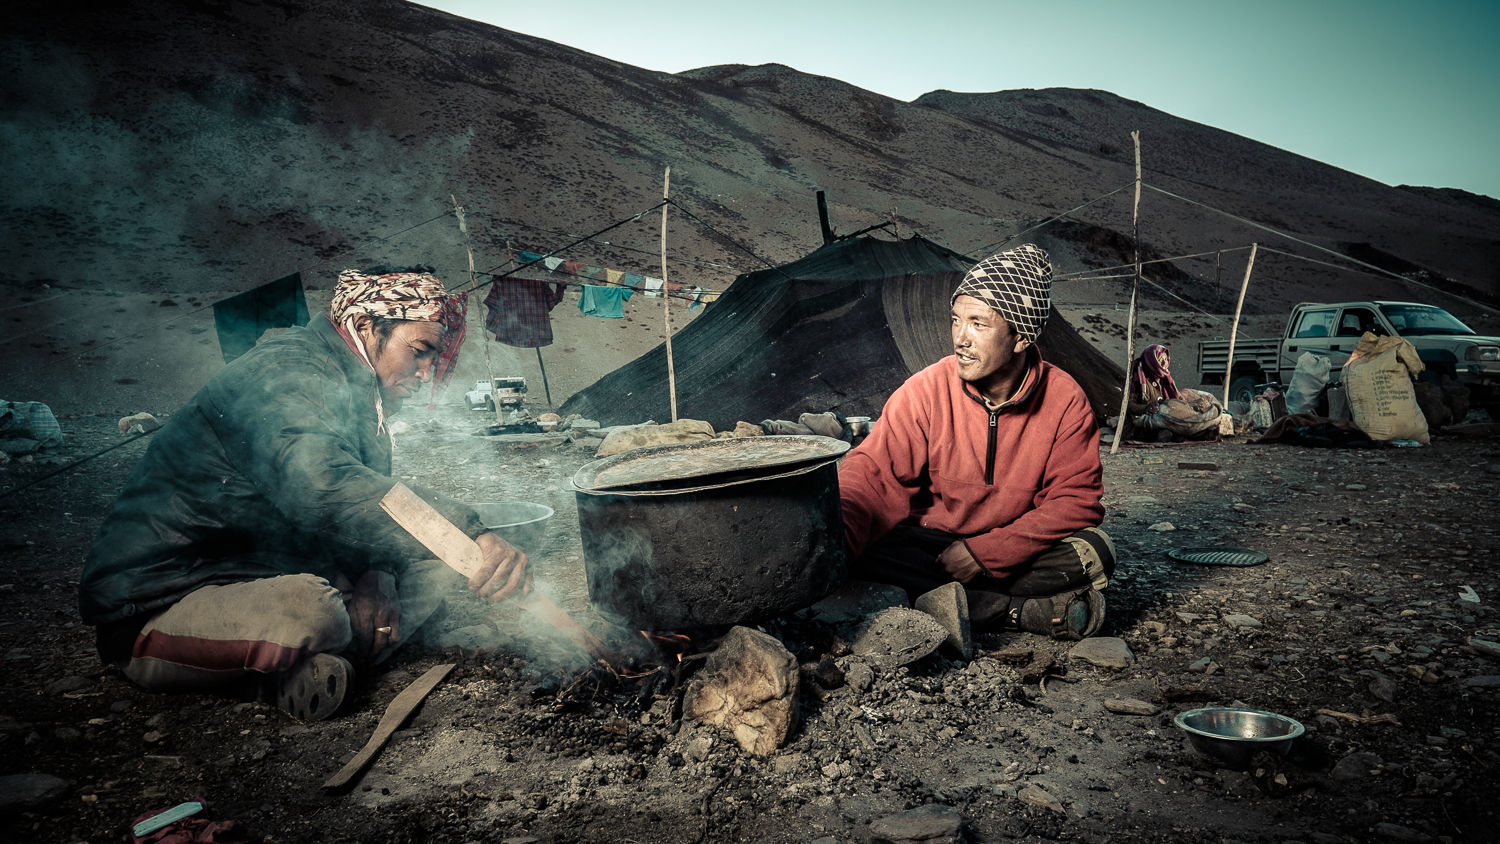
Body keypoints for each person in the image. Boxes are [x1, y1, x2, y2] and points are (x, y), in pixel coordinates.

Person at [78, 266, 530, 721]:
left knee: (433, 566)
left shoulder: (359, 390)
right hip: (164, 597)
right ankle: (305, 666)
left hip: (266, 569)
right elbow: (322, 487)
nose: (428, 372)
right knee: (314, 610)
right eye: (419, 351)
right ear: (369, 327)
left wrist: (376, 573)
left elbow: (363, 506)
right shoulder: (283, 372)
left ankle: (326, 659)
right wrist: (468, 528)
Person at [838, 245, 1114, 639]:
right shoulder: (925, 390)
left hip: (1009, 543)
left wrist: (986, 554)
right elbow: (871, 474)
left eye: (978, 324)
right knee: (859, 551)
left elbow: (1075, 501)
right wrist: (838, 532)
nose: (960, 339)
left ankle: (945, 603)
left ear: (1020, 337)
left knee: (1094, 552)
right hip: (929, 547)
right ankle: (1014, 612)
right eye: (956, 320)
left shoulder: (1064, 399)